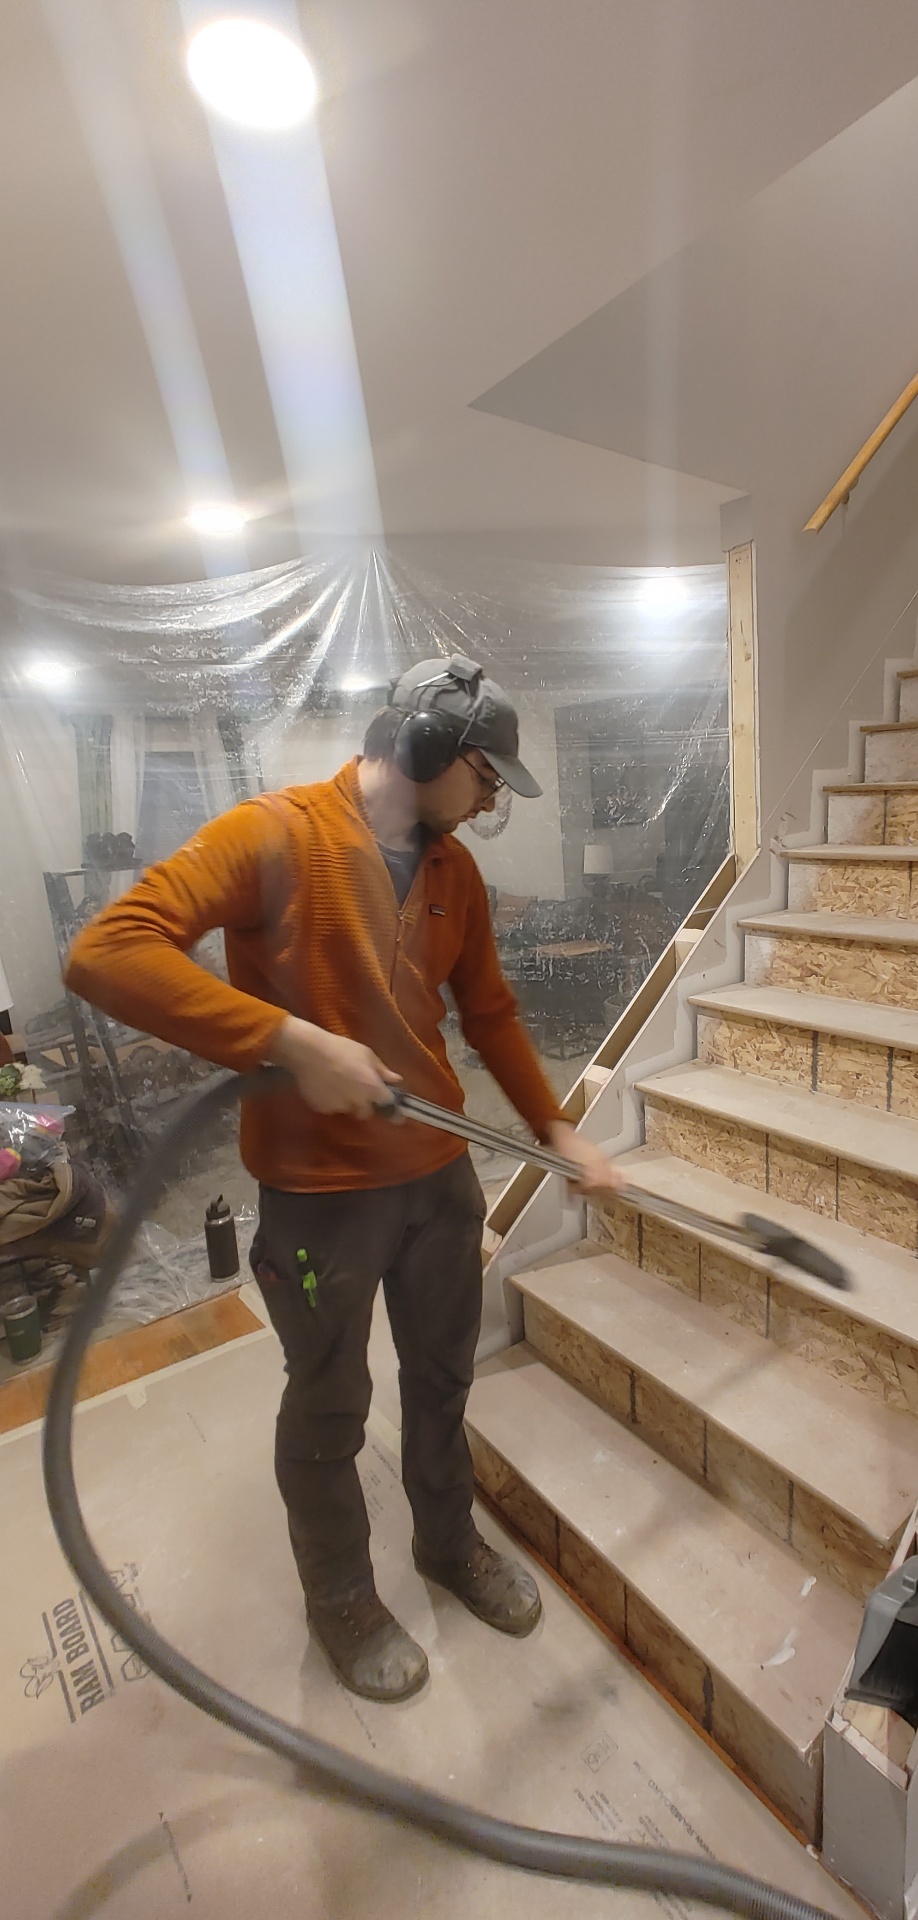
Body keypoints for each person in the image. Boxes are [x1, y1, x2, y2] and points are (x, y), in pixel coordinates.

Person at [65, 654, 622, 1704]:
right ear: (422, 749)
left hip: (438, 1181)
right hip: (319, 1203)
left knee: (444, 1380)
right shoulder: (272, 835)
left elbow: (492, 1011)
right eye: (486, 774)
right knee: (329, 1405)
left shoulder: (453, 874)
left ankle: (447, 1544)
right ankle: (341, 1601)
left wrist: (559, 1127)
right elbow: (106, 951)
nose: (496, 796)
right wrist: (283, 1039)